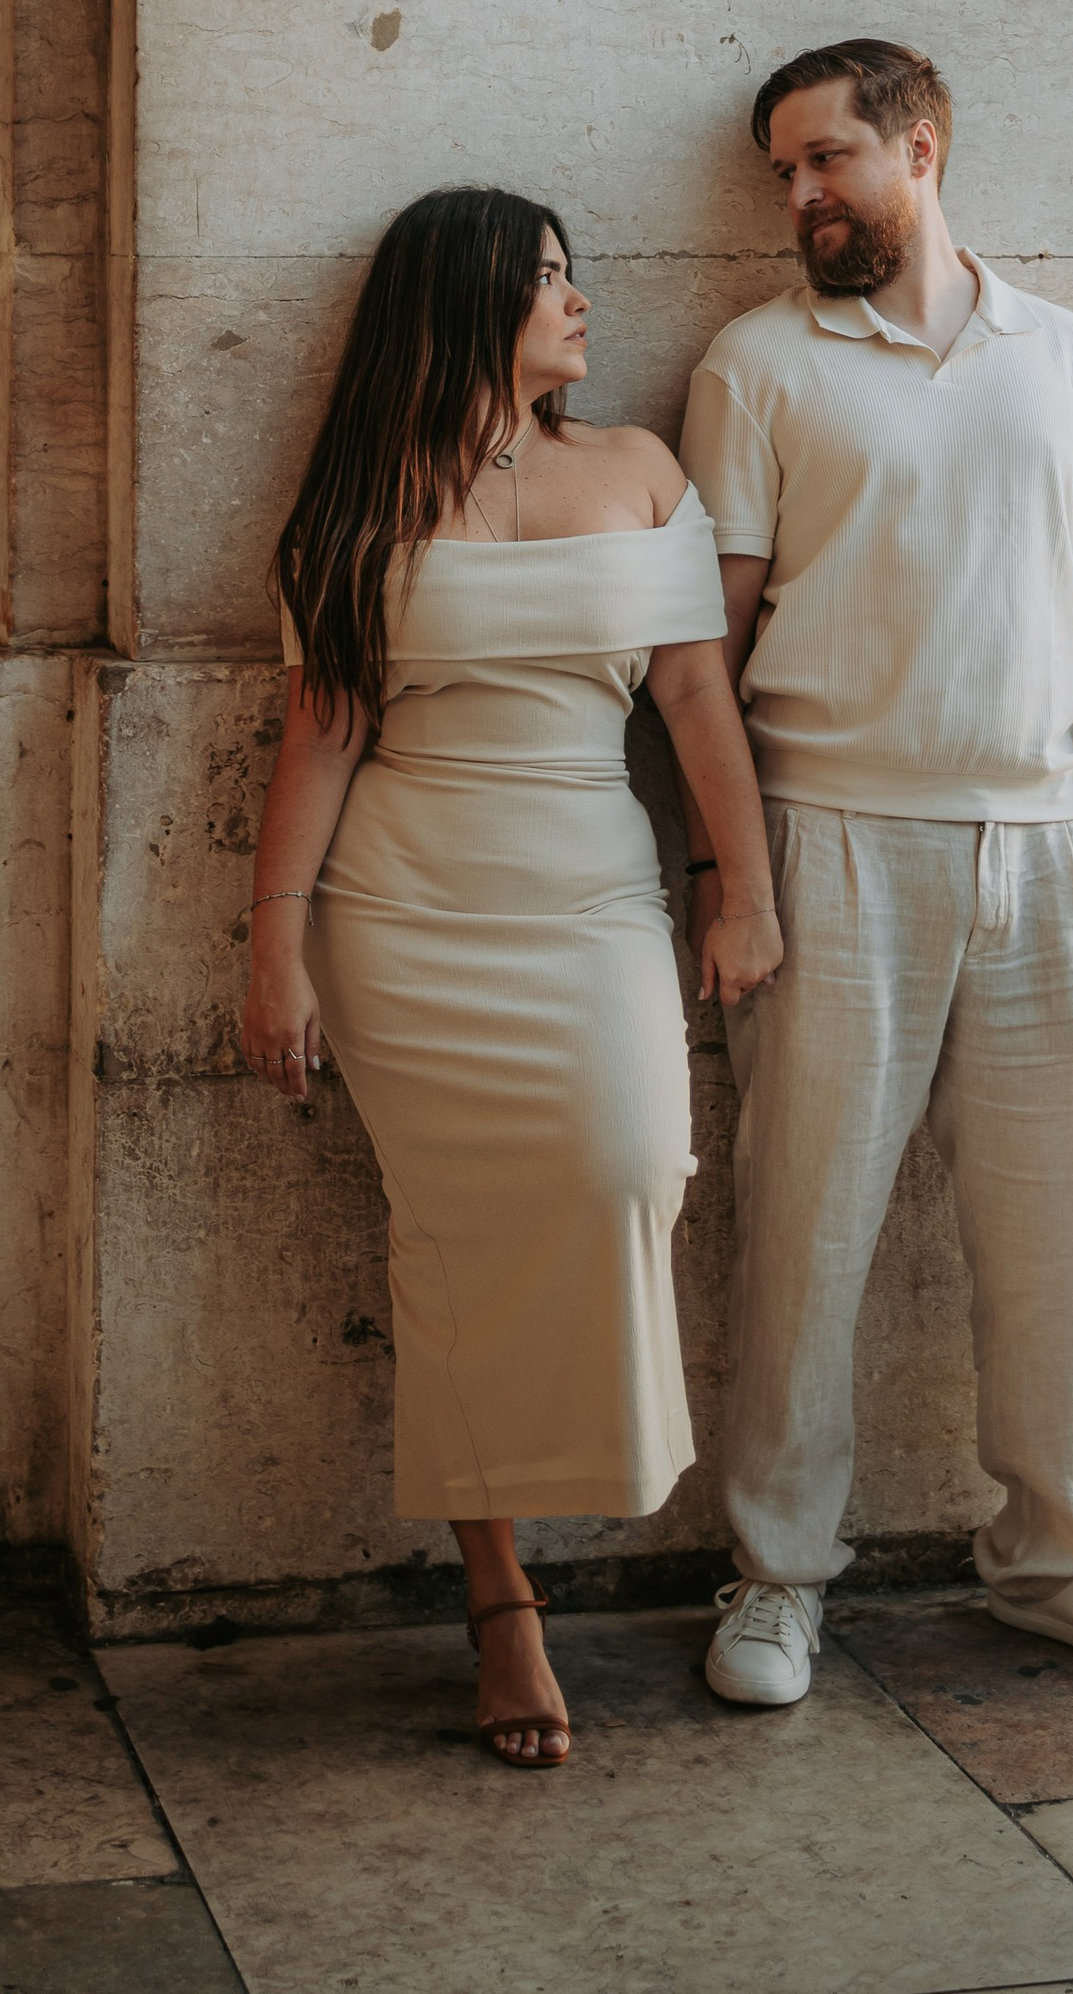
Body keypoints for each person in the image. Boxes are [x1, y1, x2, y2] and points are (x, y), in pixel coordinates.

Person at [676, 41, 1073, 1706]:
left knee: (1055, 1238)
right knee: (803, 1232)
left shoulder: (1061, 354)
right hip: (834, 840)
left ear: (919, 147)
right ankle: (775, 1576)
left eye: (827, 158)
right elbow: (706, 637)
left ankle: (1059, 1559)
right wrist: (732, 870)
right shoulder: (758, 362)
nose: (801, 196)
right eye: (783, 170)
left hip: (1059, 853)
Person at [242, 185, 781, 1770]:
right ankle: (498, 1599)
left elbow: (696, 697)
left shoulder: (636, 469)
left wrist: (739, 889)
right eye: (544, 277)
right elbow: (320, 733)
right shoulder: (358, 497)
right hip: (404, 914)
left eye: (573, 272)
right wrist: (273, 949)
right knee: (451, 1242)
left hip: (595, 894)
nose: (577, 299)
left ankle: (566, 1509)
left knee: (632, 1163)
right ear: (465, 302)